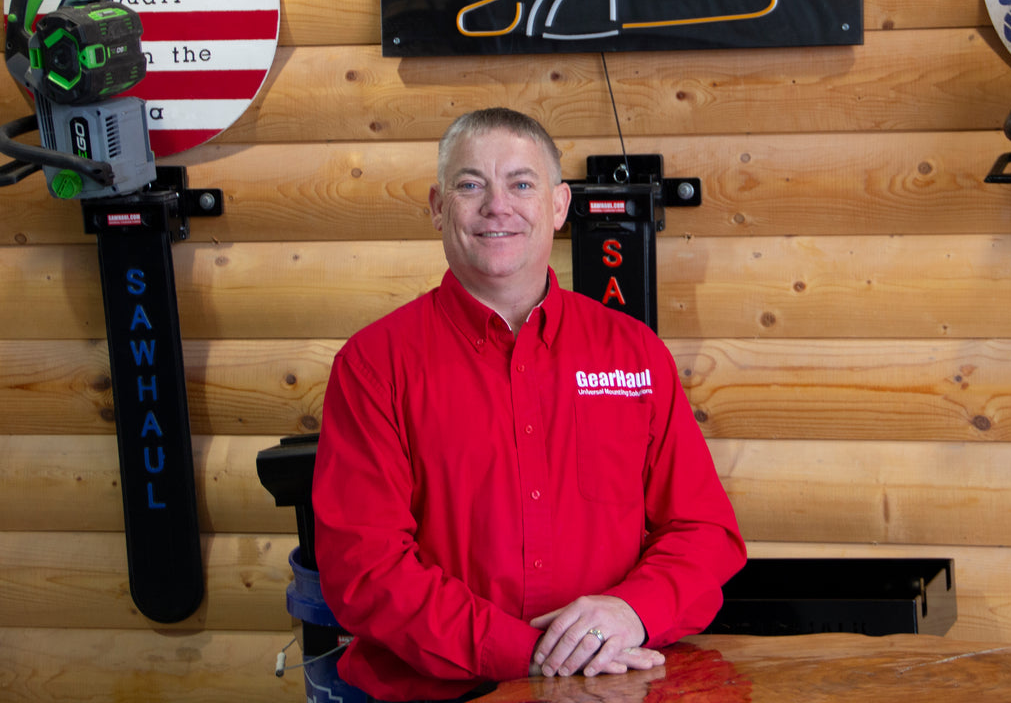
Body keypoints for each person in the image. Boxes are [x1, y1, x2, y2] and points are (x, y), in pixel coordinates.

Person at [313, 107, 746, 702]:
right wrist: (529, 656)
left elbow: (703, 532)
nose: (498, 206)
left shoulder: (634, 353)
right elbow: (364, 566)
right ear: (439, 208)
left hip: (615, 683)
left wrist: (629, 613)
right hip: (438, 693)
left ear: (560, 206)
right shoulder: (374, 365)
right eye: (471, 186)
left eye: (521, 184)